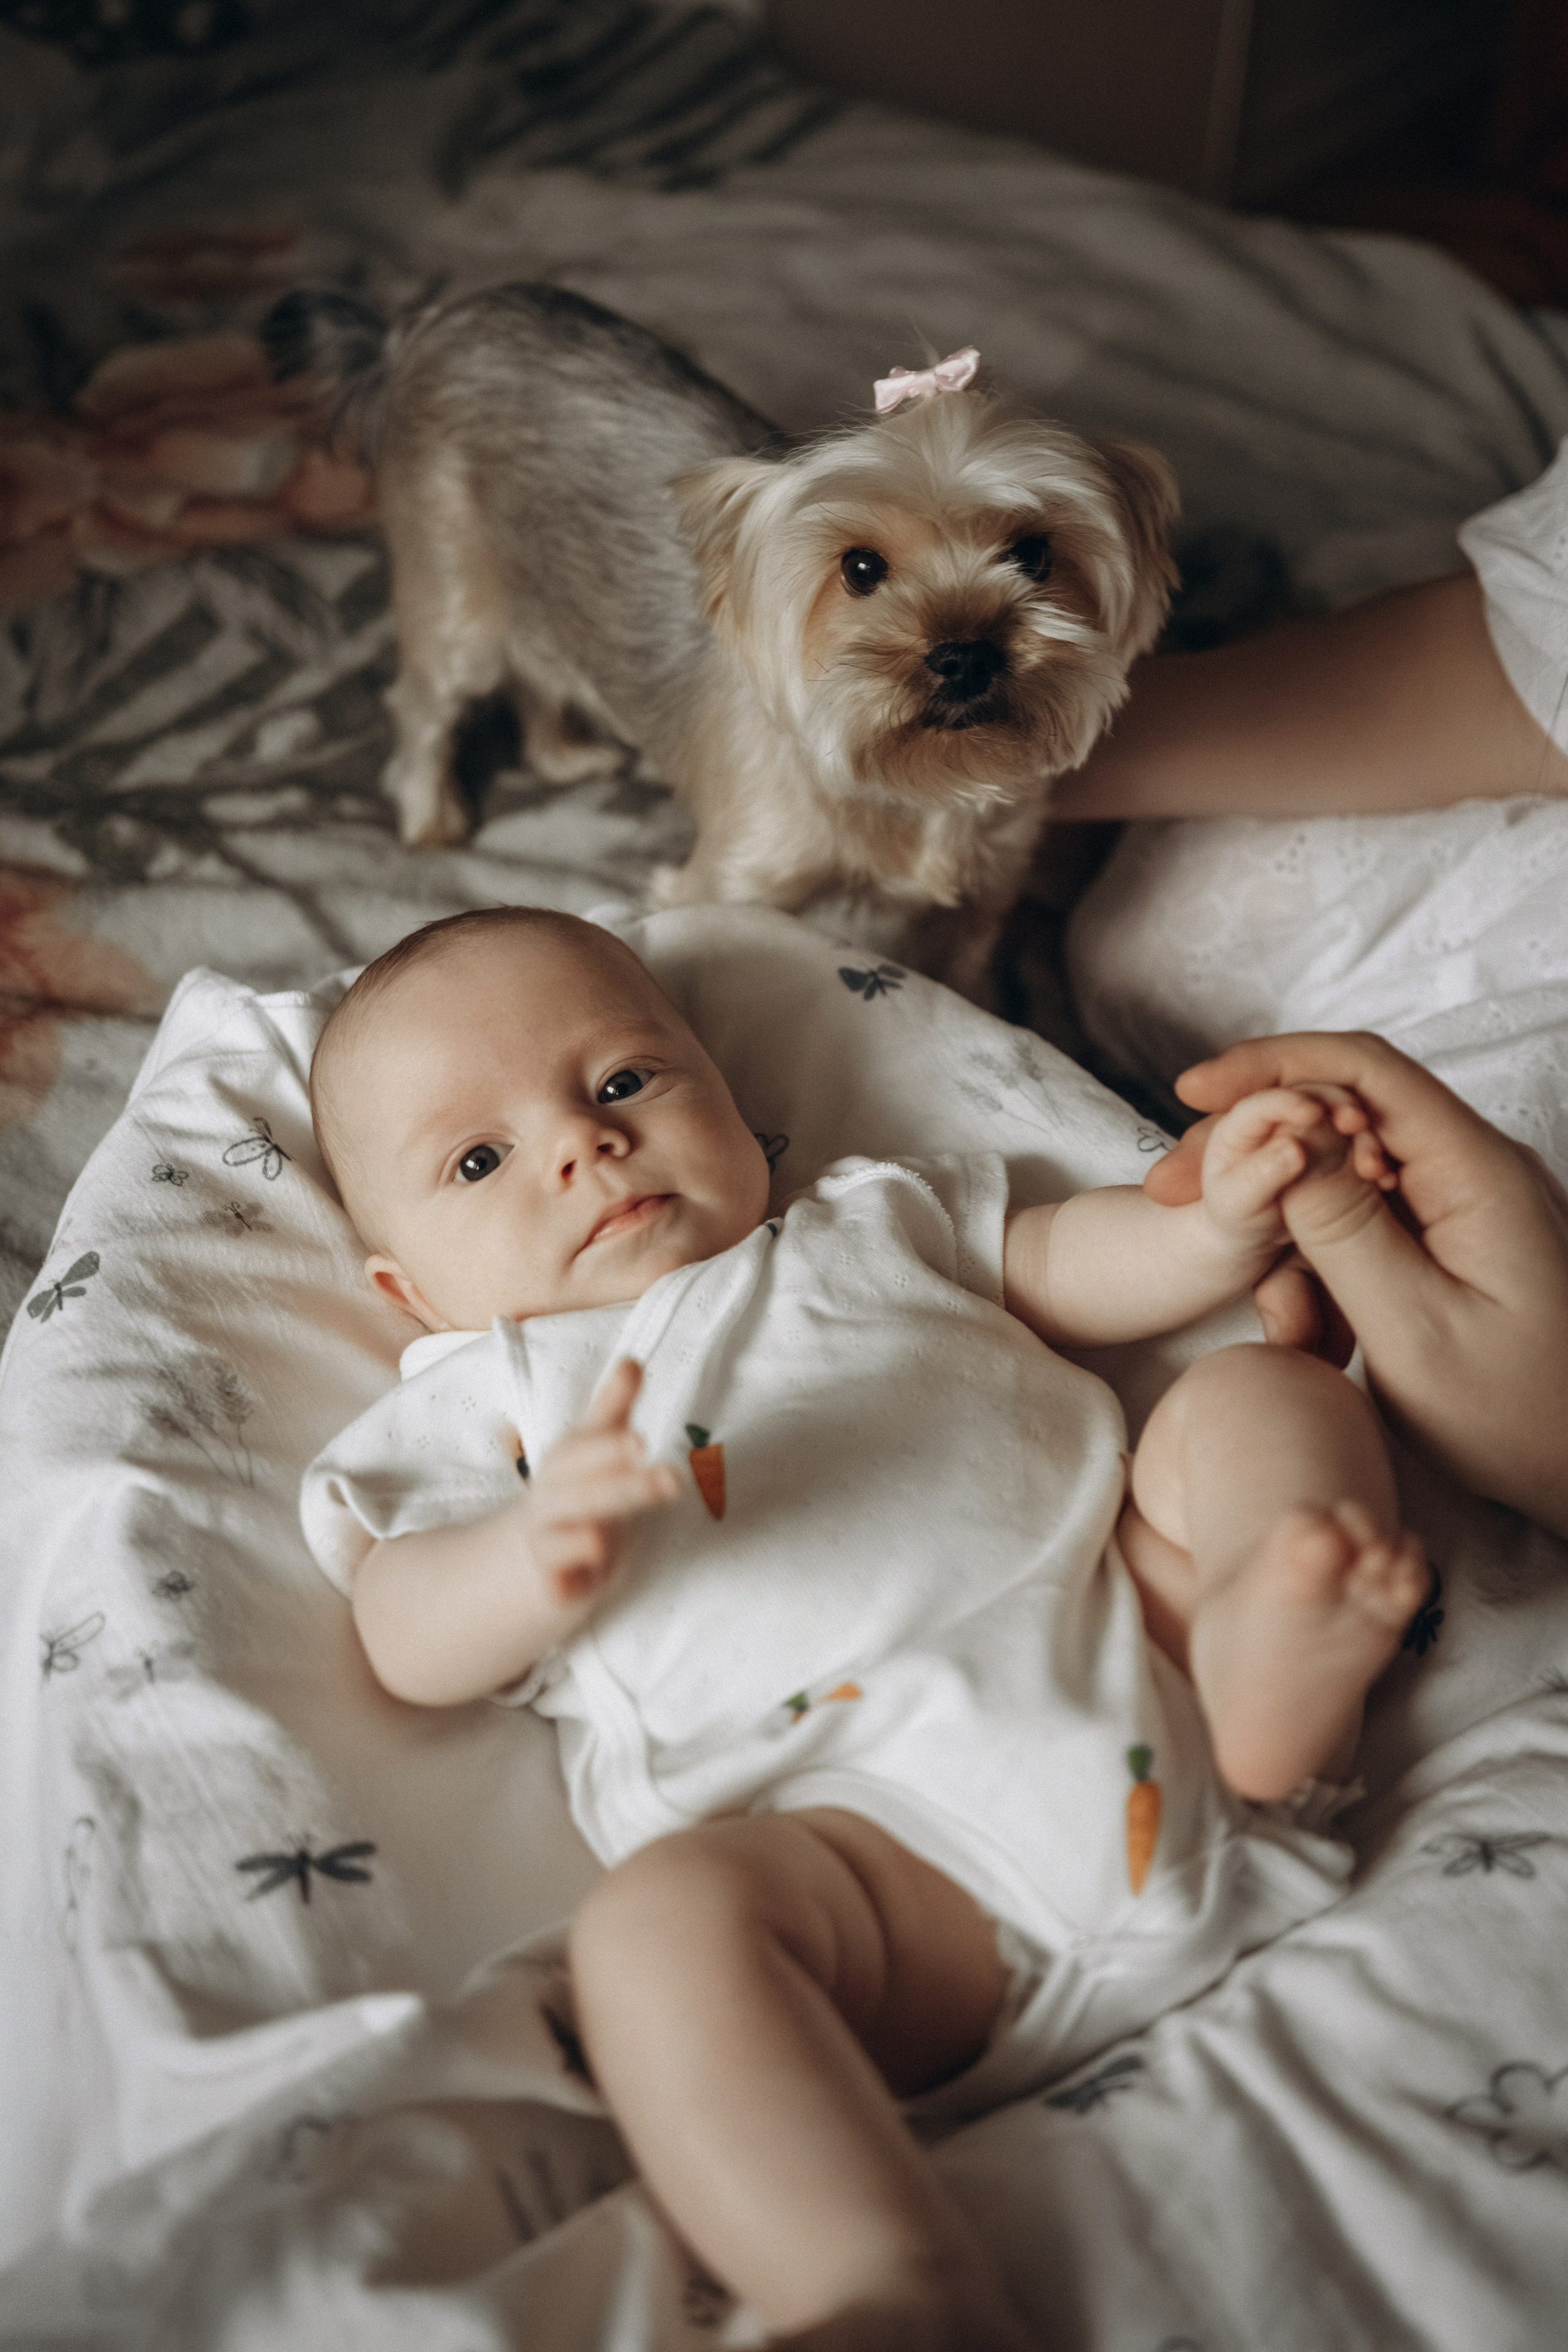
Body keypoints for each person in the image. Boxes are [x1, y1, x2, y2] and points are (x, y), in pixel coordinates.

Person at [300, 903, 1425, 2352]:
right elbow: (400, 1627)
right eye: (478, 1159)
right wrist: (527, 1560)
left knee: (1256, 1401)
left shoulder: (867, 1224)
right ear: (409, 1292)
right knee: (659, 1931)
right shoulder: (484, 1400)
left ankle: (1275, 1669)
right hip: (879, 1855)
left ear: (728, 1097)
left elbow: (1077, 1265)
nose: (581, 1147)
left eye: (623, 1082)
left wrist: (1212, 1223)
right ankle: (882, 2278)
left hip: (1130, 1643)